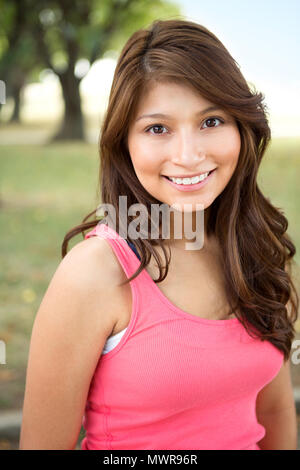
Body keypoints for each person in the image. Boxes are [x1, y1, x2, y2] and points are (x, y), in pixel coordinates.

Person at [19, 19, 299, 450]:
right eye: (157, 129)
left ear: (242, 125)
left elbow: (275, 411)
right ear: (124, 143)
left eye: (211, 121)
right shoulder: (95, 274)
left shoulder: (256, 249)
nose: (188, 155)